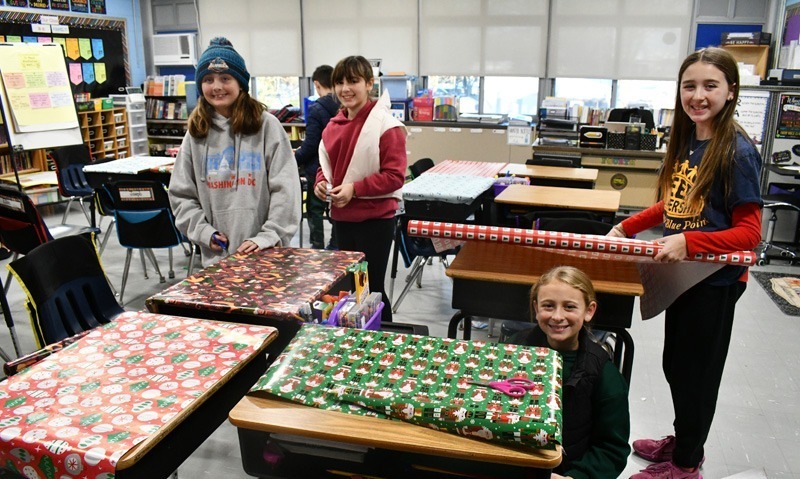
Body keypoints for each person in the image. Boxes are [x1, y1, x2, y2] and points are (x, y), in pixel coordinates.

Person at [607, 47, 762, 479]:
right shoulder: (691, 139)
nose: (698, 95)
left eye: (710, 86)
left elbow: (750, 234)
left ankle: (687, 465)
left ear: (731, 91)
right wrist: (628, 227)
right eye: (689, 85)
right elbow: (673, 205)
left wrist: (690, 242)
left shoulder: (737, 152)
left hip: (714, 282)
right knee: (675, 365)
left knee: (698, 376)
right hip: (684, 279)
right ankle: (684, 439)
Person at [169, 37, 301, 267]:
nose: (217, 86)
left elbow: (286, 190)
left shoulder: (267, 126)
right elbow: (181, 195)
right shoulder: (196, 133)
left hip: (266, 255)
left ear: (241, 83)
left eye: (225, 78)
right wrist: (202, 232)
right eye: (208, 79)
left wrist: (269, 236)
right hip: (215, 260)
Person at [507, 266, 631, 479]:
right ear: (536, 308)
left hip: (567, 471)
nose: (557, 316)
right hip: (512, 464)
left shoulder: (605, 376)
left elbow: (612, 448)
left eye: (569, 307)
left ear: (589, 310)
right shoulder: (514, 349)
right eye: (548, 306)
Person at [313, 55, 407, 322]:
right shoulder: (333, 126)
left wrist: (355, 189)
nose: (345, 88)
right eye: (340, 82)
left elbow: (394, 176)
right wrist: (321, 182)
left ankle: (385, 338)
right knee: (352, 289)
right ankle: (359, 339)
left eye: (353, 81)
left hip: (375, 221)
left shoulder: (386, 127)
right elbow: (327, 165)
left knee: (372, 288)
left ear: (369, 84)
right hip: (342, 219)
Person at [295, 65, 339, 249]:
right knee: (337, 207)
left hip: (317, 168)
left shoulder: (316, 109)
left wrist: (294, 159)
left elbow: (311, 145)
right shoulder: (342, 105)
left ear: (316, 84)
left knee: (314, 208)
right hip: (337, 166)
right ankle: (336, 242)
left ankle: (318, 246)